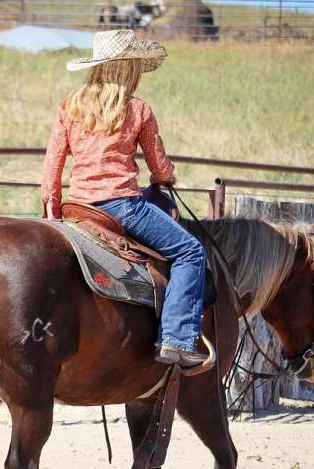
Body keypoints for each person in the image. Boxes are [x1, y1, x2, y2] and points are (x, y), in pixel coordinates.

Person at [41, 29, 212, 368]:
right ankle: (177, 339)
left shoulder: (69, 107)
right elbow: (159, 168)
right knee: (191, 252)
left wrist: (53, 212)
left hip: (78, 209)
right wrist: (167, 177)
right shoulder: (138, 110)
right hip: (123, 208)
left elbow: (52, 169)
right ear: (128, 69)